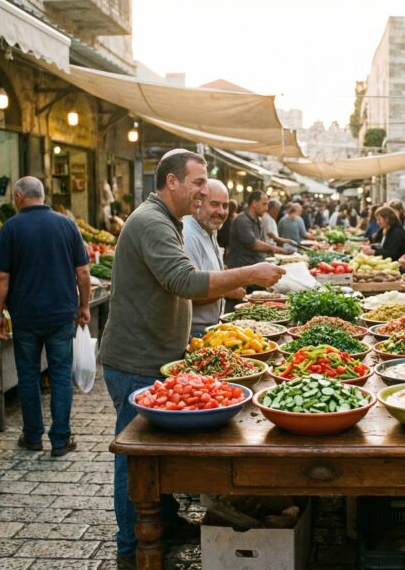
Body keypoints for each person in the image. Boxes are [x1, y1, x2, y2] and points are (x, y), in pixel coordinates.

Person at [99, 150, 285, 569]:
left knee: (156, 454)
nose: (204, 190)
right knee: (136, 458)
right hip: (135, 359)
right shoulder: (152, 222)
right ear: (172, 183)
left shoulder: (166, 221)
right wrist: (249, 273)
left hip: (156, 355)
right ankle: (132, 548)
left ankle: (164, 522)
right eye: (199, 182)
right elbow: (183, 280)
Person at [0, 176, 90, 457]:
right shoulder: (67, 224)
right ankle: (60, 439)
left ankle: (32, 436)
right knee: (60, 375)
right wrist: (84, 306)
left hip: (25, 316)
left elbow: (1, 276)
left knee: (29, 376)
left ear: (20, 196)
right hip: (61, 315)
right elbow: (83, 272)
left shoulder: (10, 228)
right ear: (42, 196)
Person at [183, 180, 246, 337]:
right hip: (194, 333)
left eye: (225, 206)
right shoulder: (188, 234)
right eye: (214, 204)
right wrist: (228, 289)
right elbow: (189, 294)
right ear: (198, 203)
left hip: (211, 328)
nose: (222, 211)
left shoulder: (209, 229)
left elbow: (210, 270)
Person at [229, 191, 288, 270]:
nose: (267, 208)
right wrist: (279, 249)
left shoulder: (258, 220)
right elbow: (254, 244)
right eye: (264, 204)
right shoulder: (242, 220)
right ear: (254, 203)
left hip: (253, 267)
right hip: (242, 269)